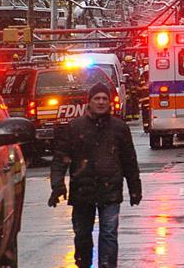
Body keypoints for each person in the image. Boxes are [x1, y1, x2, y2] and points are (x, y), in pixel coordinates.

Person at [49, 82, 142, 268]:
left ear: (109, 102)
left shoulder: (119, 128)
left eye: (104, 99)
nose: (101, 102)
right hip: (83, 192)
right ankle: (83, 263)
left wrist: (135, 188)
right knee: (83, 234)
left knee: (108, 233)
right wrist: (57, 184)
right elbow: (60, 158)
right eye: (97, 98)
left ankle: (107, 265)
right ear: (89, 102)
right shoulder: (75, 127)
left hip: (110, 191)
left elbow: (129, 160)